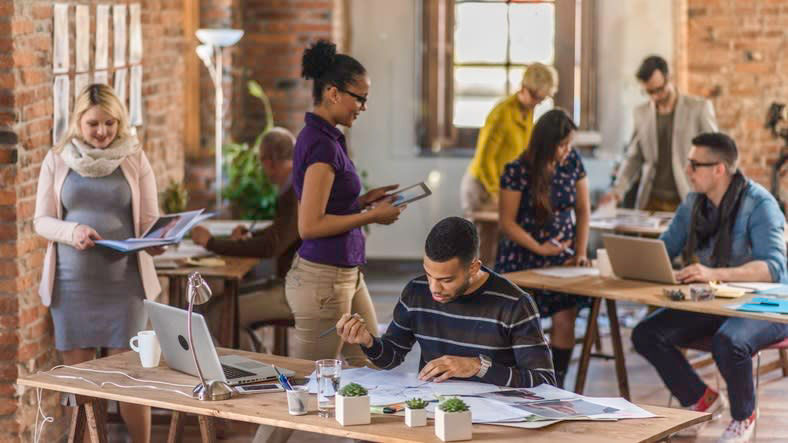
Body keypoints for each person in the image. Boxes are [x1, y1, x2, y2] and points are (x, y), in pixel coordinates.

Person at [631, 133, 787, 442]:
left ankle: (744, 417)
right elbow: (666, 249)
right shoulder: (693, 203)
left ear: (719, 168)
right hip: (715, 300)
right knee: (646, 333)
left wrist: (713, 273)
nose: (687, 170)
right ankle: (702, 400)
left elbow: (772, 269)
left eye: (695, 165)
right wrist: (633, 263)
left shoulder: (760, 204)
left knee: (728, 341)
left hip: (768, 305)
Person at [33, 83, 164, 443]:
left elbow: (150, 221)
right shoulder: (57, 159)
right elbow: (41, 222)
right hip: (72, 287)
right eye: (94, 124)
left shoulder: (134, 157)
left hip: (126, 288)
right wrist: (71, 230)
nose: (103, 132)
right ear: (77, 122)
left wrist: (158, 241)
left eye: (110, 123)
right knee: (82, 390)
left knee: (132, 383)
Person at [287, 40, 404, 366]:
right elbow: (309, 225)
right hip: (324, 281)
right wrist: (371, 217)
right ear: (333, 93)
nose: (363, 107)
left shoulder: (328, 138)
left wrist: (364, 201)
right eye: (360, 98)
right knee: (309, 386)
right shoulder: (321, 145)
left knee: (369, 367)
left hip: (346, 276)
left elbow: (330, 205)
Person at [336, 216, 556, 388]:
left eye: (446, 280)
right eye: (429, 274)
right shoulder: (416, 292)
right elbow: (391, 357)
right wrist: (367, 341)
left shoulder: (515, 304)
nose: (434, 288)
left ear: (474, 267)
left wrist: (477, 367)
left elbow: (545, 382)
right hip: (436, 409)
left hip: (500, 414)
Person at [494, 109, 591, 389]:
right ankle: (525, 380)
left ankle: (556, 384)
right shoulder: (516, 169)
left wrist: (580, 252)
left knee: (566, 317)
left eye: (570, 144)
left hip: (562, 258)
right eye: (562, 144)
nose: (567, 150)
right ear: (546, 143)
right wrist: (539, 248)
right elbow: (507, 223)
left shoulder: (572, 162)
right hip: (522, 257)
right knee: (524, 322)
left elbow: (583, 211)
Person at [191, 127, 300, 351]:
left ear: (268, 161)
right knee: (218, 306)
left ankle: (260, 374)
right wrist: (252, 235)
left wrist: (212, 243)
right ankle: (265, 366)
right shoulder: (295, 185)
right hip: (291, 284)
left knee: (220, 314)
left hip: (296, 291)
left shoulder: (295, 190)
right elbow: (283, 231)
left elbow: (271, 246)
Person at [461, 63, 558, 265]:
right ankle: (475, 294)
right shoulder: (501, 114)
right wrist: (497, 193)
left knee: (499, 244)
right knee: (481, 248)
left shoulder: (527, 111)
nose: (538, 103)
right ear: (524, 88)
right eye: (537, 97)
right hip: (482, 186)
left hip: (502, 186)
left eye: (543, 99)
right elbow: (485, 160)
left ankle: (494, 291)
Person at [600, 55, 718, 211]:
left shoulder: (698, 109)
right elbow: (634, 158)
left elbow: (716, 154)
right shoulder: (641, 113)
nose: (655, 96)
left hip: (686, 198)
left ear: (670, 78)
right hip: (650, 200)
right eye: (649, 92)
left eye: (659, 90)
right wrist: (617, 191)